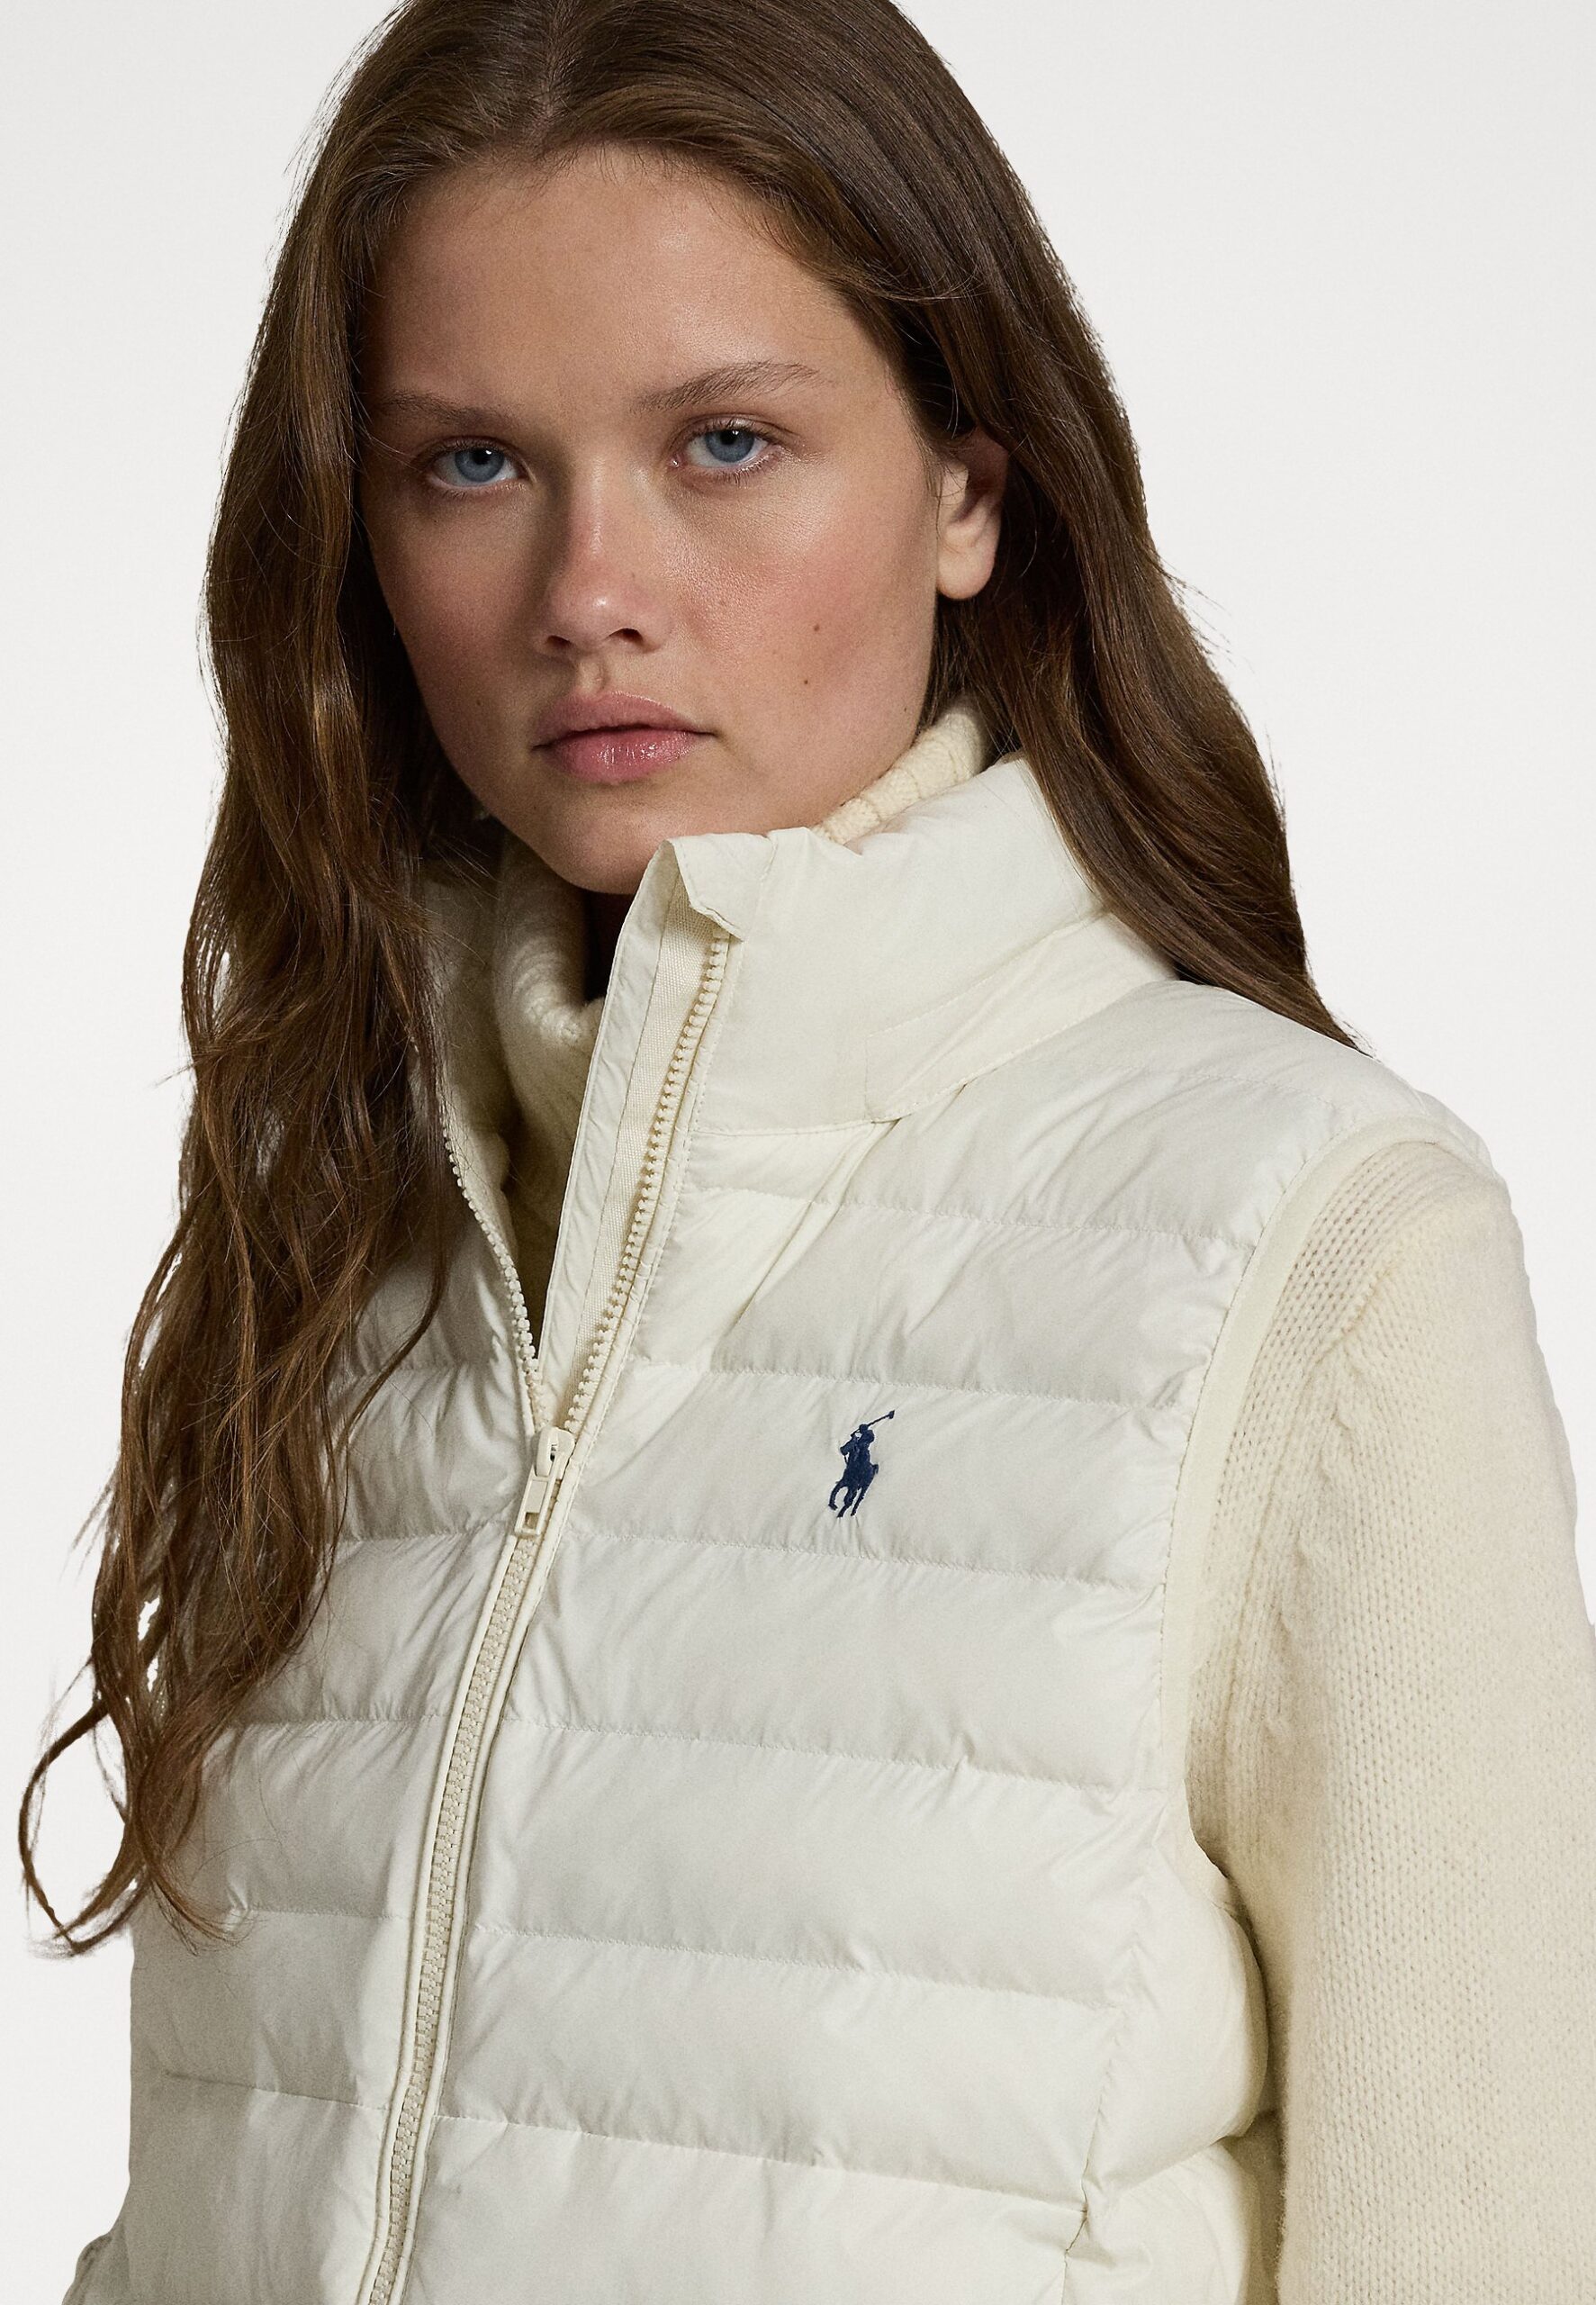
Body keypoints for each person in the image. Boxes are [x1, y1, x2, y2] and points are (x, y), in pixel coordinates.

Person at [23, 2, 1596, 2300]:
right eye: (471, 462)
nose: (588, 586)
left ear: (970, 490)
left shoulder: (1306, 1239)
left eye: (724, 441)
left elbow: (1483, 2233)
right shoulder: (341, 1234)